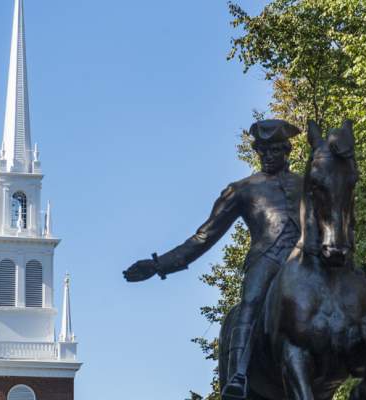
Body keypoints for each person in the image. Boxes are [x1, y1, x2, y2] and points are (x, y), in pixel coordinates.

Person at [123, 119, 303, 400]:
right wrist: (159, 265)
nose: (267, 156)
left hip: (307, 258)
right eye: (261, 151)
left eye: (273, 150)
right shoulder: (243, 189)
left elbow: (334, 221)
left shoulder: (309, 185)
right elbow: (203, 237)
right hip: (268, 259)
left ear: (286, 150)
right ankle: (239, 377)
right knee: (250, 304)